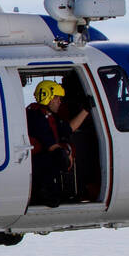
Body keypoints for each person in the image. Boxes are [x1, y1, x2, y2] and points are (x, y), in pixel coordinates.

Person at [27, 79, 92, 207]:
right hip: (35, 165)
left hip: (38, 163)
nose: (59, 101)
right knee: (59, 156)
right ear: (48, 98)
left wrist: (86, 110)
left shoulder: (48, 115)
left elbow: (68, 129)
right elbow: (53, 148)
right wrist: (67, 152)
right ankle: (46, 194)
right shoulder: (37, 118)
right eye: (57, 98)